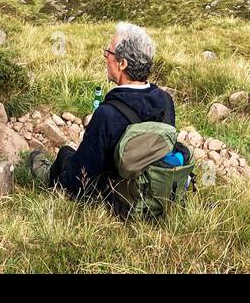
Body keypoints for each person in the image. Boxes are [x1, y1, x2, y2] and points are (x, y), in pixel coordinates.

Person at [40, 22, 175, 207]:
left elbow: (78, 183)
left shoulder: (108, 114)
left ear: (122, 63)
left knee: (64, 154)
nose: (106, 57)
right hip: (152, 190)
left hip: (118, 198)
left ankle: (42, 169)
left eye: (109, 52)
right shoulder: (166, 101)